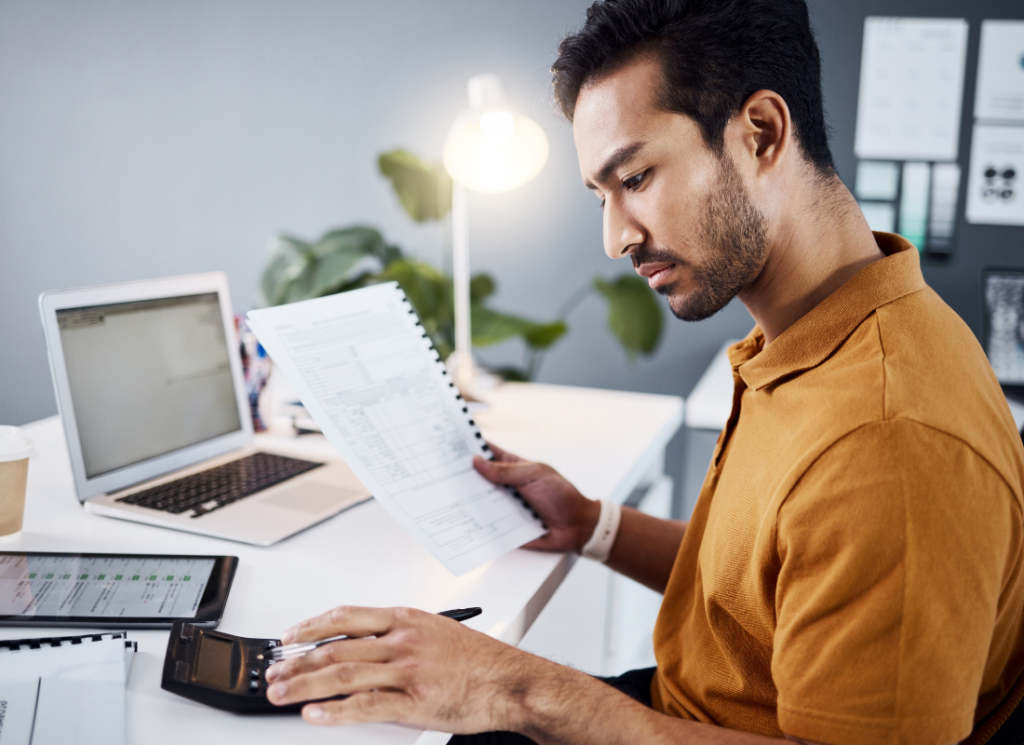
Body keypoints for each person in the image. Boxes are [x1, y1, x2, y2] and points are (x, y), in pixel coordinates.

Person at [263, 1, 1024, 742]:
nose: (614, 237)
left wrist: (518, 688)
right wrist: (594, 526)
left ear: (760, 133)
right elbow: (771, 586)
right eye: (601, 194)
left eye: (635, 180)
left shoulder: (889, 441)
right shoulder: (821, 331)